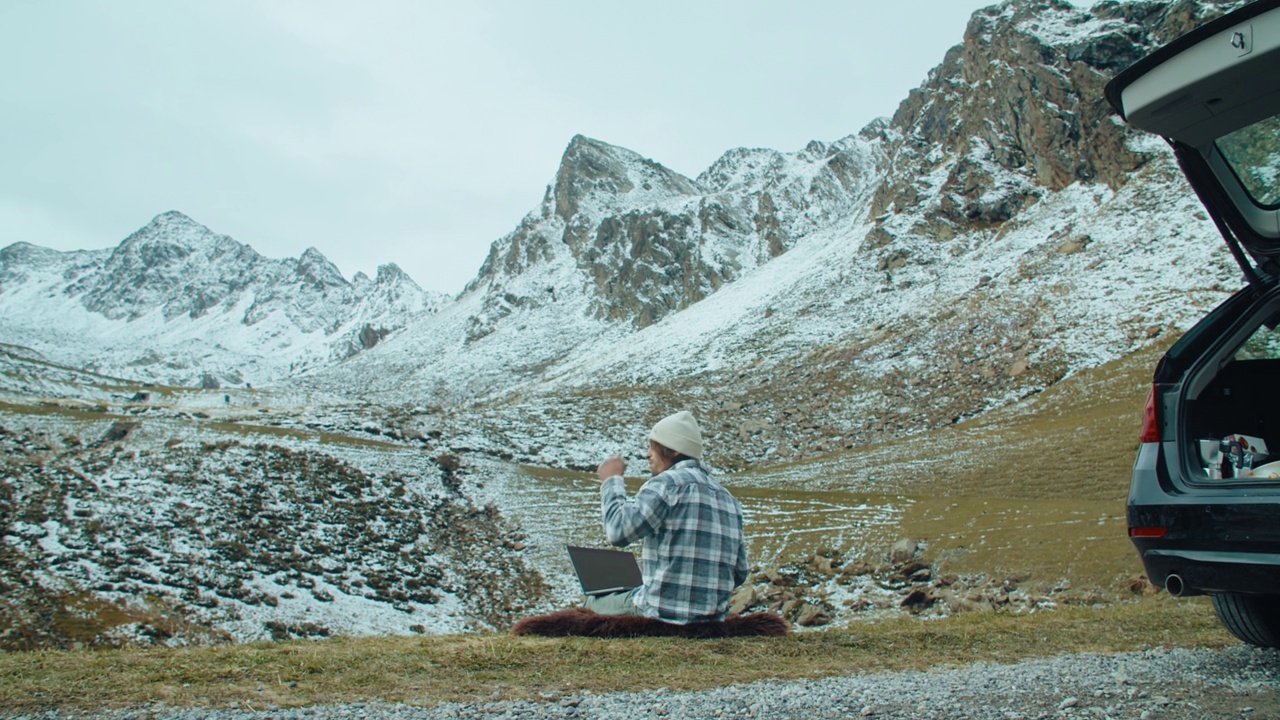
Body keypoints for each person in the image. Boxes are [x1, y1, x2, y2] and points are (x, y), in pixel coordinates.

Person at [588, 410, 748, 624]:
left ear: (672, 451)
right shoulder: (730, 500)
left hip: (659, 613)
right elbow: (739, 572)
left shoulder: (666, 484)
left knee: (591, 603)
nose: (647, 454)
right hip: (711, 620)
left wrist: (611, 480)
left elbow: (618, 532)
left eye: (652, 447)